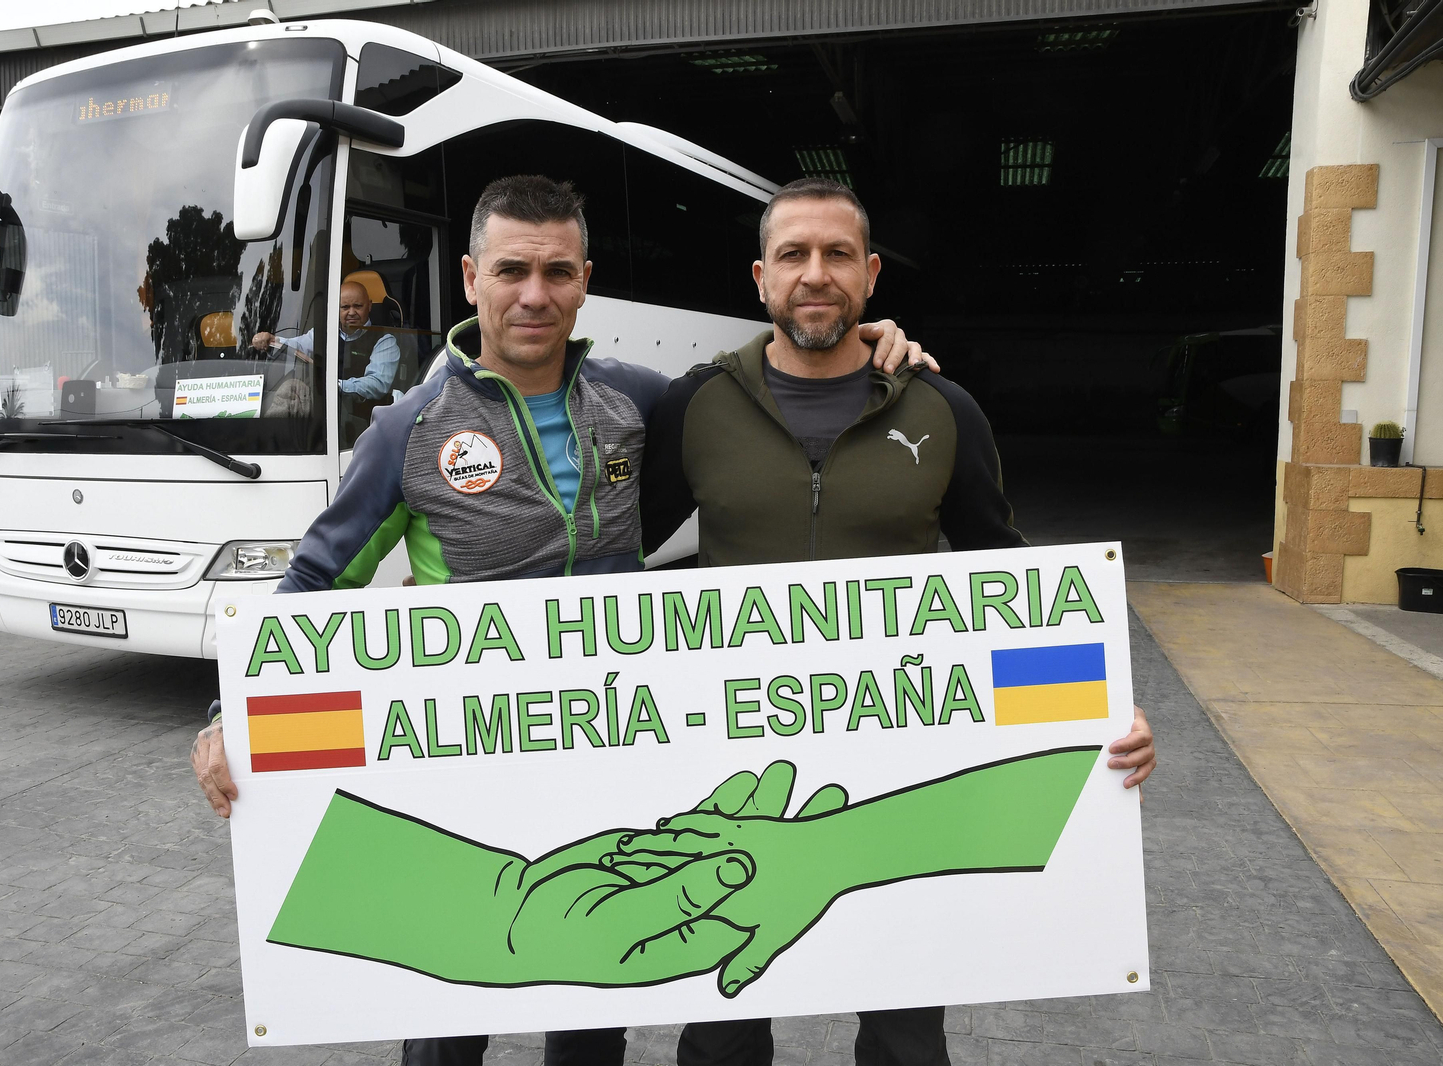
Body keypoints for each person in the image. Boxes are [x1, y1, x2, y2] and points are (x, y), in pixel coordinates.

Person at [192, 174, 930, 1066]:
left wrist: (872, 337)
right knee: (448, 1010)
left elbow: (782, 362)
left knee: (588, 1004)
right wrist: (228, 712)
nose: (534, 295)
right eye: (511, 271)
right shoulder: (411, 427)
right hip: (463, 765)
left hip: (605, 764)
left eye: (556, 272)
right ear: (471, 278)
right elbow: (317, 576)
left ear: (586, 279)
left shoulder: (641, 400)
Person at [639, 177, 1157, 1066]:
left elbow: (1011, 577)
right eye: (793, 255)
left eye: (837, 254)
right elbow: (609, 577)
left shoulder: (941, 410)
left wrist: (1101, 707)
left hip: (900, 762)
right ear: (760, 278)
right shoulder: (694, 408)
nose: (815, 274)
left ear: (871, 276)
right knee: (721, 1025)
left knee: (907, 1025)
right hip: (735, 770)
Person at [253, 279, 401, 402]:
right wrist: (272, 341)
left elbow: (377, 384)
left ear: (369, 306)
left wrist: (336, 386)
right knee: (290, 390)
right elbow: (298, 346)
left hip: (364, 417)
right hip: (324, 410)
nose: (351, 312)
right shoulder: (325, 334)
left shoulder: (384, 340)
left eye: (357, 306)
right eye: (345, 307)